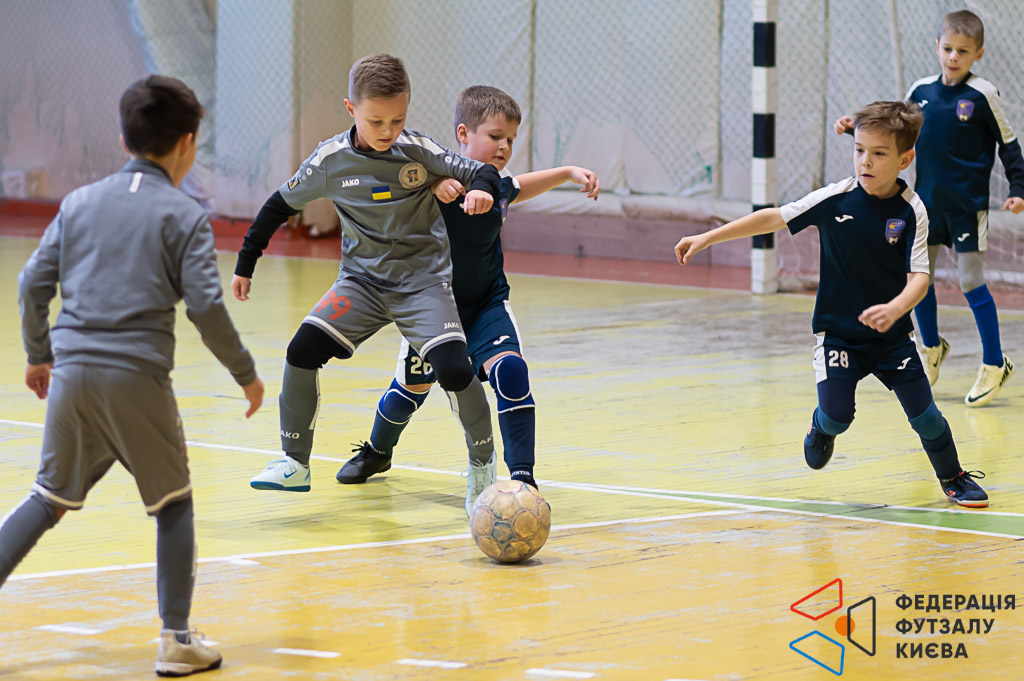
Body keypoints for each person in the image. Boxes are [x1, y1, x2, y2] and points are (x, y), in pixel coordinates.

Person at [2, 75, 265, 676]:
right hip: (136, 380)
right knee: (173, 503)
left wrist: (39, 354)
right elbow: (206, 307)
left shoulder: (78, 203)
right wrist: (245, 374)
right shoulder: (186, 215)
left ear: (124, 140)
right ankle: (177, 640)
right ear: (188, 144)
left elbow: (30, 283)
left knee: (46, 499)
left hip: (71, 377)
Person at [676, 101, 988, 508]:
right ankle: (821, 428)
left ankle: (953, 477)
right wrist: (708, 237)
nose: (865, 161)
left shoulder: (912, 210)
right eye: (859, 150)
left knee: (926, 417)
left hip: (892, 340)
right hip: (838, 336)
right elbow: (774, 217)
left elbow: (920, 278)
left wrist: (896, 308)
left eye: (879, 153)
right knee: (838, 416)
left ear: (905, 160)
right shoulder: (835, 198)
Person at [235, 55, 503, 513]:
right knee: (301, 351)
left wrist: (482, 189)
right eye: (376, 121)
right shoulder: (330, 160)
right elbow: (279, 205)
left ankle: (483, 469)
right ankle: (294, 462)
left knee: (455, 370)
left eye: (397, 119)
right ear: (351, 109)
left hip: (422, 285)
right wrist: (246, 262)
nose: (387, 130)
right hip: (360, 283)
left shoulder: (417, 149)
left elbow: (481, 172)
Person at [334, 86, 599, 507]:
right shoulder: (427, 182)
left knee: (511, 372)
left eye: (511, 139)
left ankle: (523, 480)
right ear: (463, 133)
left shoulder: (496, 187)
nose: (504, 146)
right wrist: (433, 184)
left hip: (487, 305)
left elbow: (517, 186)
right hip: (433, 310)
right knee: (409, 390)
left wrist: (568, 172)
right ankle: (378, 451)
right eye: (495, 136)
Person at [834, 10, 1024, 406]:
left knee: (970, 281)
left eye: (963, 51)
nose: (953, 57)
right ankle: (932, 347)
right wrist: (856, 127)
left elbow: (1009, 145)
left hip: (967, 207)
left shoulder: (983, 94)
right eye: (948, 48)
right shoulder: (921, 89)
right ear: (936, 47)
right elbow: (894, 131)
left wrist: (1018, 188)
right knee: (918, 277)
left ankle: (995, 362)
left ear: (978, 54)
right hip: (927, 205)